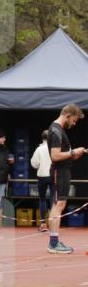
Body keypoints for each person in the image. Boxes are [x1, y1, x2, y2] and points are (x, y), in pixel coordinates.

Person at [46, 104, 85, 254]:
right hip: (59, 171)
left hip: (63, 171)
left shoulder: (59, 130)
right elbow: (55, 156)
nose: (74, 124)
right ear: (68, 115)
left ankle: (54, 241)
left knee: (59, 204)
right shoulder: (56, 130)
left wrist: (75, 154)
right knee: (58, 204)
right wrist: (73, 152)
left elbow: (63, 155)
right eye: (74, 120)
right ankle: (53, 243)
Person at [31, 130, 52, 232]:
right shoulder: (54, 148)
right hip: (53, 176)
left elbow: (34, 164)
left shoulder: (39, 149)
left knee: (42, 199)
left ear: (42, 138)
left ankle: (43, 224)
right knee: (53, 199)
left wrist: (41, 165)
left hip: (42, 176)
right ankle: (53, 224)